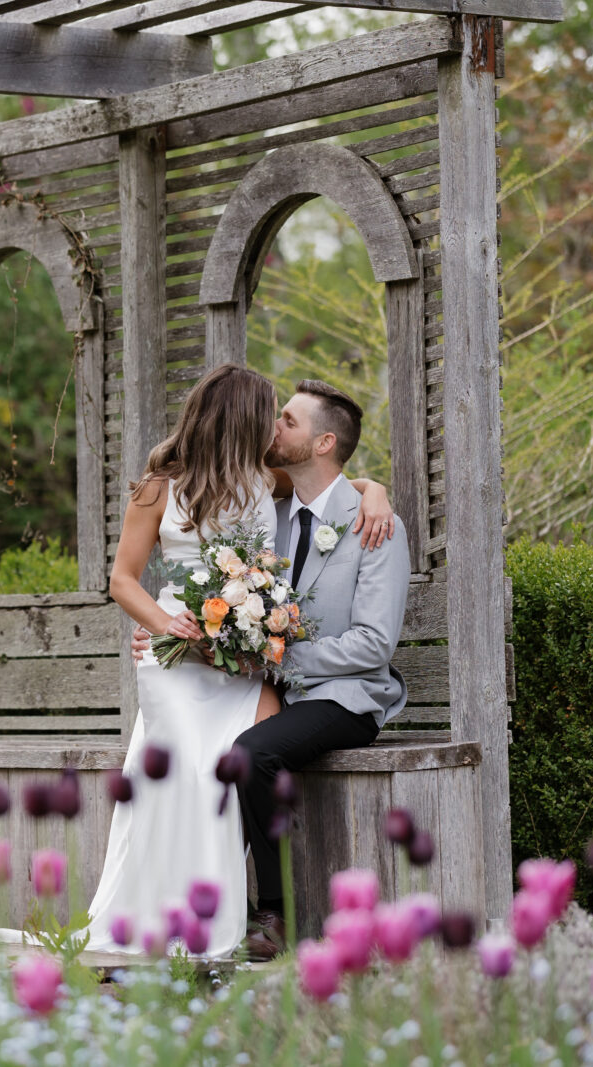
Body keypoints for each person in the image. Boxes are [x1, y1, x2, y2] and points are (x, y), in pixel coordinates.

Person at [0, 365, 392, 958]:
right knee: (184, 778)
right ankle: (166, 914)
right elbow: (122, 580)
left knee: (231, 770)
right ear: (238, 417)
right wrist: (168, 629)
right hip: (177, 657)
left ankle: (222, 918)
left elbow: (338, 485)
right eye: (268, 412)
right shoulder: (159, 486)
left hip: (241, 664)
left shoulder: (268, 480)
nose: (274, 424)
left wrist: (376, 491)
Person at [229, 379, 411, 962]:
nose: (273, 427)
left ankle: (273, 913)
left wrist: (283, 659)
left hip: (347, 696)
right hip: (271, 692)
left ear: (324, 441)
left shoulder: (375, 524)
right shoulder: (270, 516)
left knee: (251, 754)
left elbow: (374, 644)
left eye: (287, 419)